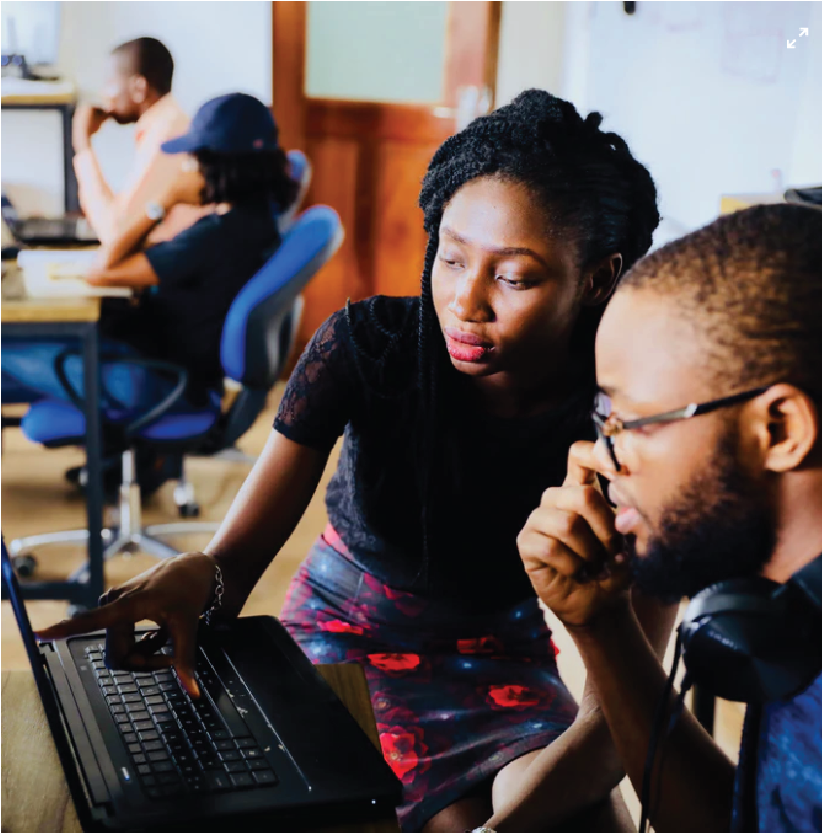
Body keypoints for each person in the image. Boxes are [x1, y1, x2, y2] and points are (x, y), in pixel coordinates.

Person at [37, 90, 673, 832]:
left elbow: (617, 725)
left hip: (498, 661)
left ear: (597, 278)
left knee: (588, 822)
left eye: (513, 276)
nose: (464, 301)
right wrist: (198, 577)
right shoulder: (366, 348)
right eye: (452, 256)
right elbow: (234, 564)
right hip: (341, 637)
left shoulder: (629, 422)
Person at [516, 204, 822, 832]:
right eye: (601, 416)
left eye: (629, 422)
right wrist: (602, 626)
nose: (595, 457)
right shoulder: (787, 612)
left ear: (778, 429)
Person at [3, 93, 297, 475]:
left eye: (195, 158)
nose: (187, 166)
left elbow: (102, 270)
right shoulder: (258, 221)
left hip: (151, 383)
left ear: (219, 166)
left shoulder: (215, 237)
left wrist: (164, 201)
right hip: (168, 370)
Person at [73, 36, 211, 246]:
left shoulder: (166, 135)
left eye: (110, 84)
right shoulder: (166, 124)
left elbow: (115, 233)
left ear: (139, 88)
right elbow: (121, 216)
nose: (104, 95)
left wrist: (82, 145)